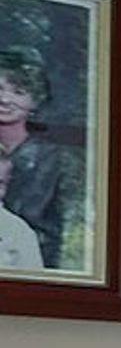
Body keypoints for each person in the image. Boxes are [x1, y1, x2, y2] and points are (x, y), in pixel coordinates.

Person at [0, 45, 83, 271]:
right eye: (0, 88)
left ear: (35, 101)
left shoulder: (50, 158)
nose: (5, 99)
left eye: (18, 92)